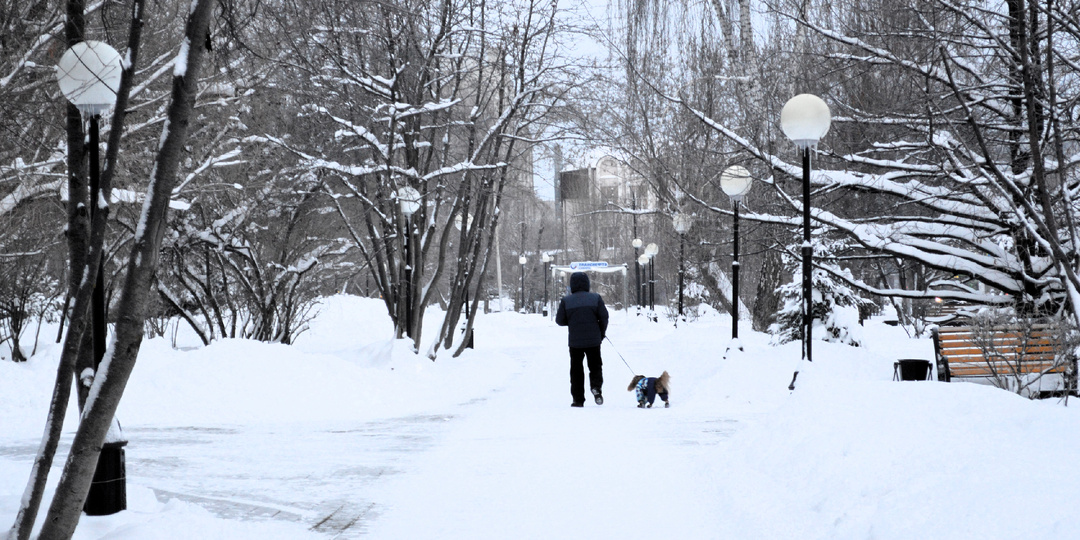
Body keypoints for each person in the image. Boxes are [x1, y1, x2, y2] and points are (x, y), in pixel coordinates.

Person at [555, 272, 609, 407]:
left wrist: (573, 321)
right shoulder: (595, 298)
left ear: (572, 285)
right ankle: (596, 387)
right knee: (595, 366)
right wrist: (601, 333)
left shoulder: (566, 301)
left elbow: (559, 321)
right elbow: (604, 317)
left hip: (575, 342)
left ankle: (578, 399)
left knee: (576, 369)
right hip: (594, 340)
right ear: (587, 284)